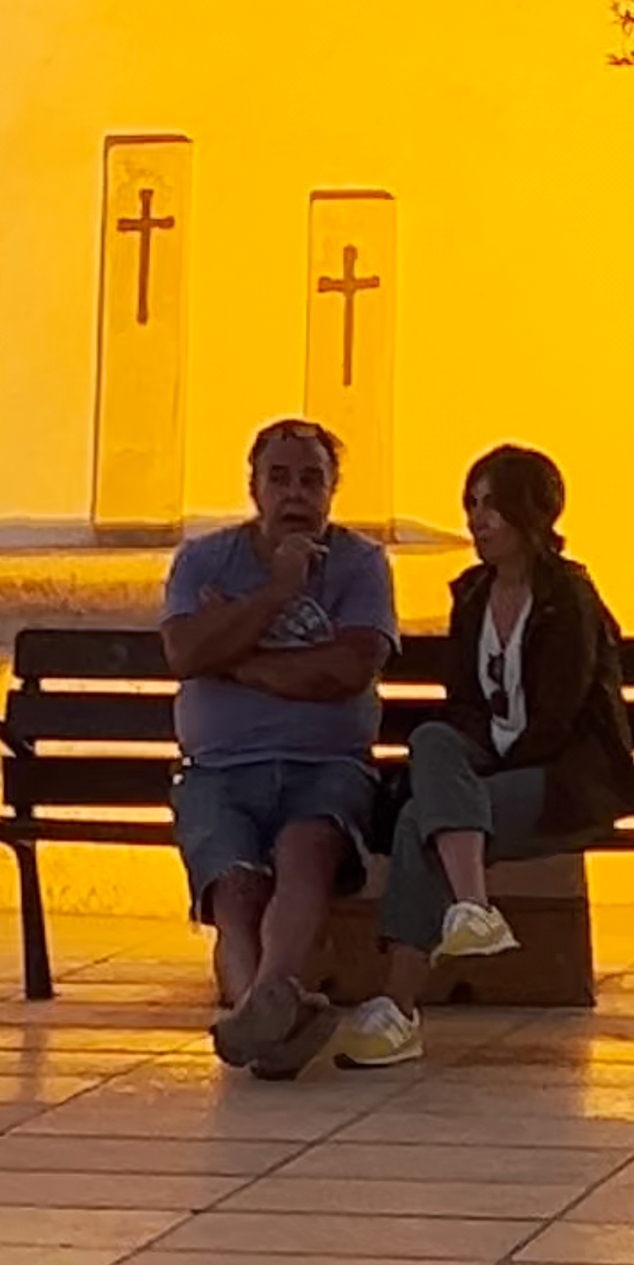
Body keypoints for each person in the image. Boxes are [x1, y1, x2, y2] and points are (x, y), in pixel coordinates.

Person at [331, 443, 633, 1067]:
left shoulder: (568, 599)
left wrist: (479, 772)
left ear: (532, 513)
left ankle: (399, 1009)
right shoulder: (471, 595)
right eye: (470, 505)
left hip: (560, 781)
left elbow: (558, 720)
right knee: (434, 740)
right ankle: (471, 908)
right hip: (485, 778)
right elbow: (464, 707)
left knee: (422, 821)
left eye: (492, 505)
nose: (477, 520)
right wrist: (469, 765)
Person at [161, 413, 394, 1077]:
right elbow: (184, 650)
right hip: (217, 769)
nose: (296, 493)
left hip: (327, 767)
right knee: (233, 888)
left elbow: (346, 671)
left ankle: (257, 1017)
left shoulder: (359, 563)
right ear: (255, 487)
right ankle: (268, 1015)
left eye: (311, 479)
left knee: (306, 849)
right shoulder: (205, 560)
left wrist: (235, 655)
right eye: (281, 478)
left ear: (332, 490)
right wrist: (279, 593)